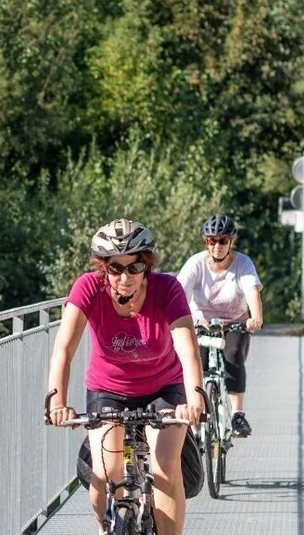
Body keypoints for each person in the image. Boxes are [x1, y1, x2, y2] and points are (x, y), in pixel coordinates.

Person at [45, 219, 205, 535]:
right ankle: (108, 527)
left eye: (134, 268)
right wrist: (57, 401)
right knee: (105, 472)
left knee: (164, 466)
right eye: (115, 269)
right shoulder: (88, 288)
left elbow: (187, 349)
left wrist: (196, 398)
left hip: (165, 387)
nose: (125, 277)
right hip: (108, 389)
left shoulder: (167, 289)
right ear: (103, 268)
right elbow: (64, 347)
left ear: (147, 265)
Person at [176, 215, 265, 437]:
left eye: (222, 241)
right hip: (201, 322)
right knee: (194, 363)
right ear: (206, 242)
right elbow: (178, 294)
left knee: (233, 354)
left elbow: (251, 291)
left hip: (234, 322)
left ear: (231, 242)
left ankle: (237, 415)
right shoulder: (196, 263)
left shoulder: (242, 263)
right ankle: (195, 426)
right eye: (211, 241)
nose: (216, 246)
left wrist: (255, 317)